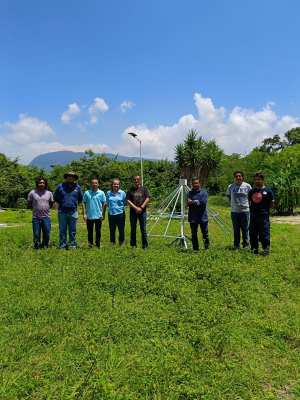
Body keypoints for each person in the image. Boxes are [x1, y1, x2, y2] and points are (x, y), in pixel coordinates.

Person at [53, 171, 83, 249]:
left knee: (73, 230)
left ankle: (73, 246)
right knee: (62, 230)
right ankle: (62, 246)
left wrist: (74, 204)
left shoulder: (77, 187)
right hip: (62, 211)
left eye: (72, 177)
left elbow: (80, 198)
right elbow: (55, 197)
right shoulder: (60, 186)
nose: (71, 178)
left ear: (74, 179)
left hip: (73, 212)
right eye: (69, 176)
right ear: (66, 177)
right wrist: (62, 203)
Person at [248, 173, 275, 255]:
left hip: (263, 216)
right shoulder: (251, 191)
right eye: (255, 179)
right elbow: (249, 203)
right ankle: (254, 250)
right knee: (252, 233)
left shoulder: (268, 192)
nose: (257, 181)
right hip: (253, 216)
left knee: (264, 234)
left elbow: (272, 204)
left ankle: (265, 251)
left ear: (263, 180)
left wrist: (264, 210)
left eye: (259, 179)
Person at [226, 171, 252, 249]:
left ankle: (245, 245)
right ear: (234, 177)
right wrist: (233, 204)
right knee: (236, 230)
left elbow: (251, 197)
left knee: (245, 229)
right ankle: (236, 245)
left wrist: (247, 205)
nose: (238, 177)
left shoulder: (247, 186)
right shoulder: (231, 186)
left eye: (239, 176)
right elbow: (228, 197)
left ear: (242, 177)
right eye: (236, 176)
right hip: (234, 211)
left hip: (245, 211)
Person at [27, 178, 53, 249]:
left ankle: (45, 246)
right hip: (36, 217)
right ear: (37, 184)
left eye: (43, 183)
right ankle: (37, 247)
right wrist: (33, 209)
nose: (42, 184)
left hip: (46, 217)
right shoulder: (32, 193)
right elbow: (29, 203)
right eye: (40, 183)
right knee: (36, 234)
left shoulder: (49, 193)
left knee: (47, 234)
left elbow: (51, 204)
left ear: (45, 184)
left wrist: (46, 209)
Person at [126, 174, 150, 249]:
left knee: (143, 229)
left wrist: (141, 208)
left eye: (137, 179)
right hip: (133, 212)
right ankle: (133, 245)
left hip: (142, 212)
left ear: (140, 180)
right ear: (133, 181)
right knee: (133, 229)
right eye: (134, 179)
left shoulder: (144, 188)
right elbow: (128, 200)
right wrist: (136, 208)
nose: (136, 180)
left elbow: (147, 198)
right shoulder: (130, 190)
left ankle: (145, 245)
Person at [82, 178, 106, 248]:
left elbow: (104, 203)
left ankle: (97, 245)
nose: (94, 184)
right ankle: (90, 245)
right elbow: (84, 203)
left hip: (98, 216)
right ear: (91, 184)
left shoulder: (101, 193)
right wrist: (84, 214)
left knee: (98, 232)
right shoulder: (87, 193)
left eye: (96, 183)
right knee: (90, 232)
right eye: (93, 183)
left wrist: (103, 214)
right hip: (89, 216)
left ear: (98, 184)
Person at [187, 177, 209, 251]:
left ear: (200, 183)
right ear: (192, 184)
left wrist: (192, 201)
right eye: (193, 183)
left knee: (205, 233)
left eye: (196, 183)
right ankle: (195, 248)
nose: (195, 184)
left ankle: (206, 247)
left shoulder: (204, 193)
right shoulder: (189, 193)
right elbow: (188, 203)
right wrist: (196, 201)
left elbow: (203, 203)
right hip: (193, 217)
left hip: (202, 216)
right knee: (193, 234)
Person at [105, 178, 127, 245]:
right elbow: (107, 203)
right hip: (111, 213)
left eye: (117, 184)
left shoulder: (122, 193)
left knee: (121, 229)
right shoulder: (108, 193)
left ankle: (121, 242)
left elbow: (125, 203)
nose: (116, 185)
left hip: (120, 213)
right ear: (112, 185)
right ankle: (112, 243)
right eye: (114, 184)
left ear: (119, 185)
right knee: (112, 229)